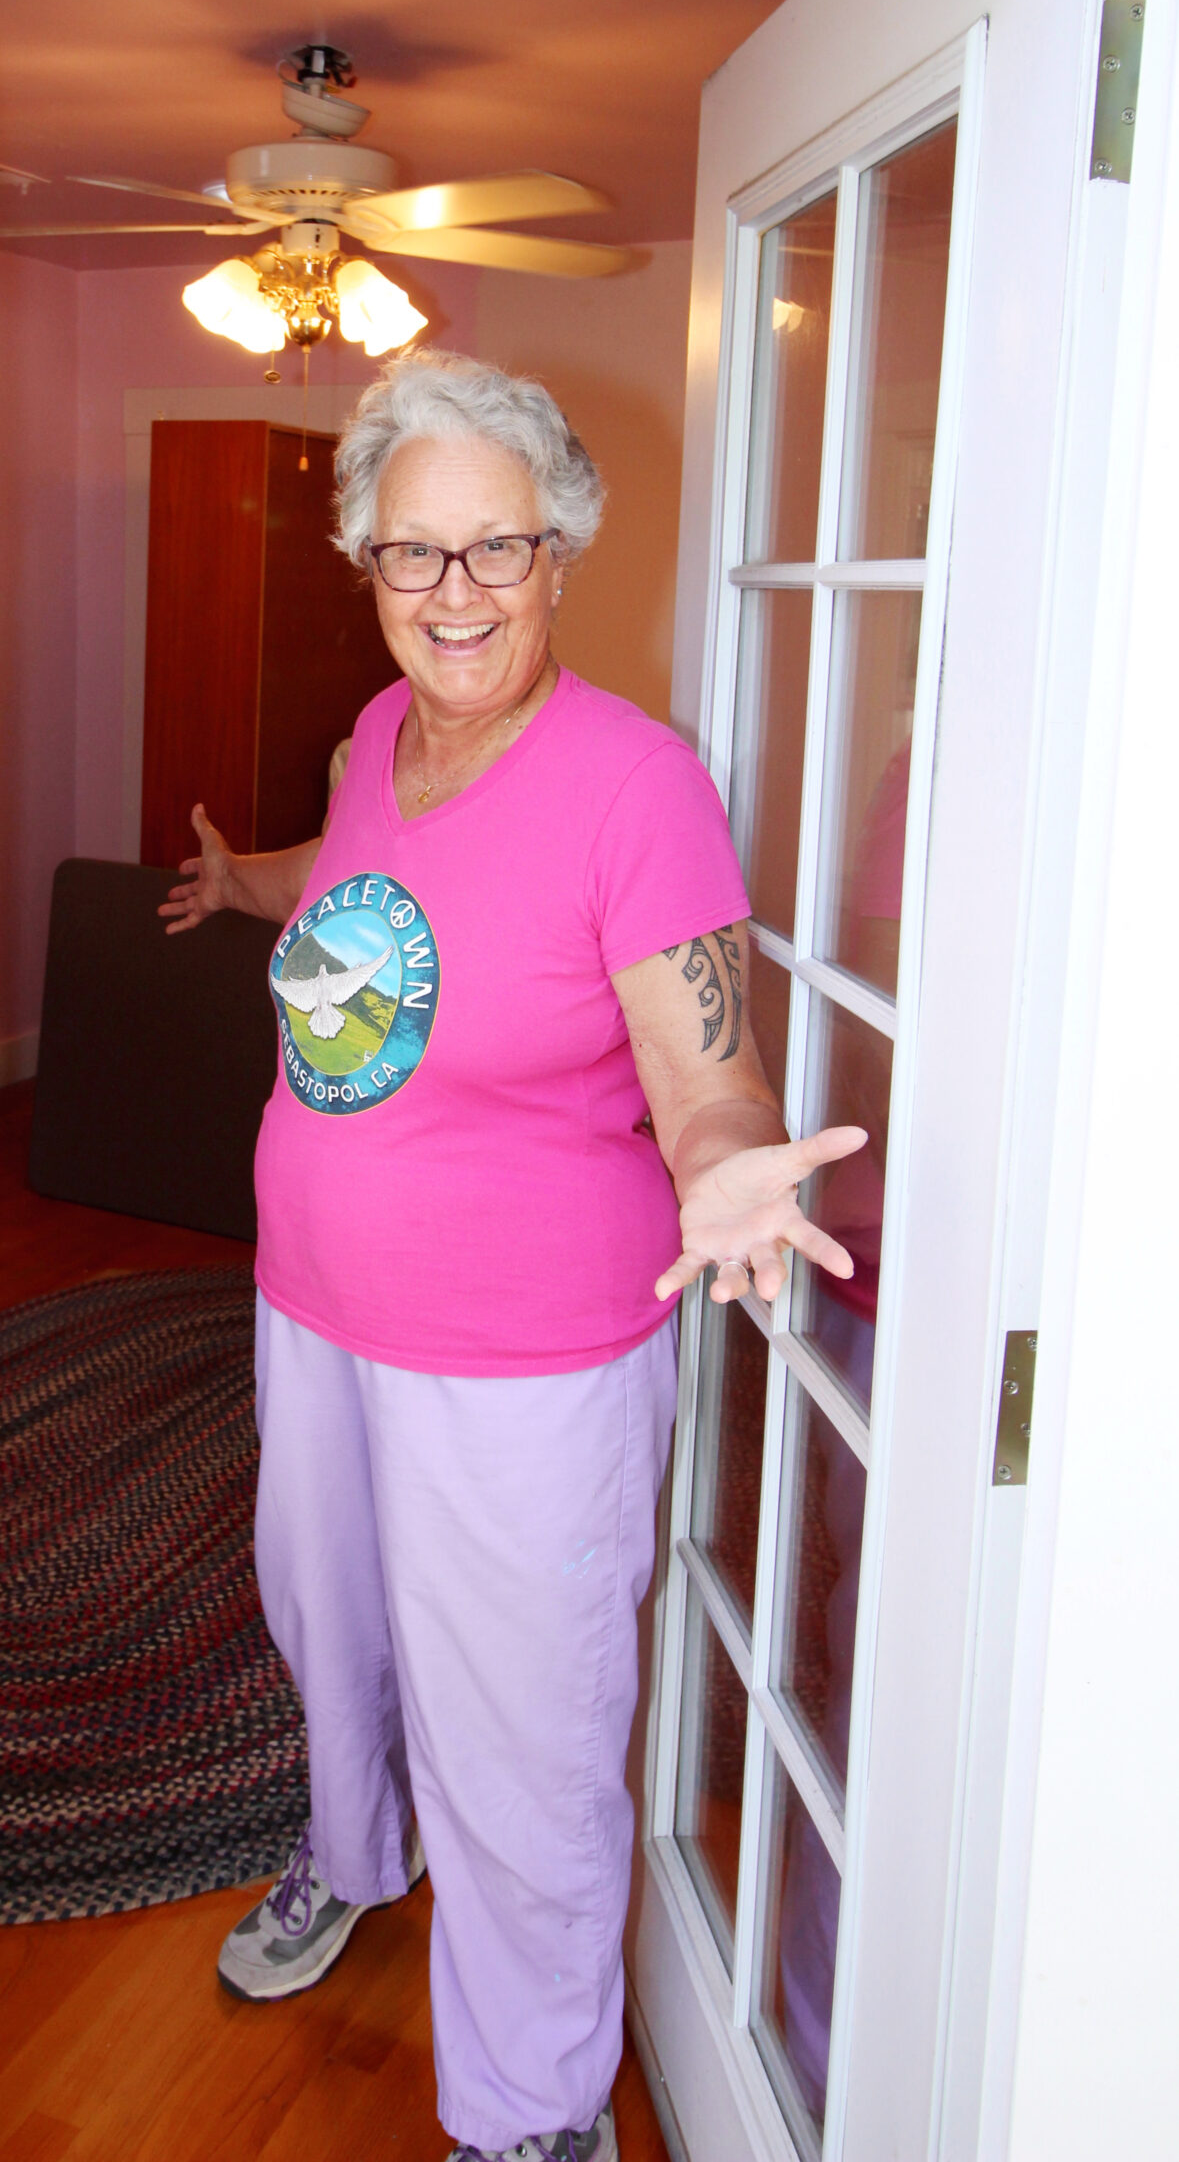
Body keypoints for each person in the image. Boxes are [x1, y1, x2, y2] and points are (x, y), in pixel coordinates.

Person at [159, 350, 863, 2162]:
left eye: (497, 552)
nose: (455, 595)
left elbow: (709, 1069)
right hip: (314, 1306)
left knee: (527, 1737)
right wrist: (255, 887)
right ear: (366, 562)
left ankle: (536, 2112)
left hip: (525, 1359)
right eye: (415, 555)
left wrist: (724, 1165)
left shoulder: (637, 788)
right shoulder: (374, 739)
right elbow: (361, 875)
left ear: (562, 557)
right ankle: (347, 1854)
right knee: (333, 1627)